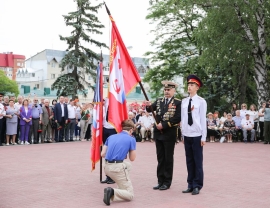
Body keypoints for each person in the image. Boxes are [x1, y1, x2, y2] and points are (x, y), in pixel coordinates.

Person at [145, 80, 181, 191]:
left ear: (173, 90)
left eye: (169, 90)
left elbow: (178, 118)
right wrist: (147, 106)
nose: (166, 92)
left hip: (169, 133)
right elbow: (151, 109)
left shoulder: (178, 102)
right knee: (160, 158)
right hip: (158, 134)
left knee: (168, 159)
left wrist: (164, 125)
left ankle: (167, 182)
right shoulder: (159, 100)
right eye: (165, 90)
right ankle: (160, 181)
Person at [101, 119, 136, 206]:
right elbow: (132, 158)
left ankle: (121, 187)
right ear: (131, 130)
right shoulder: (131, 139)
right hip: (117, 167)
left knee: (128, 165)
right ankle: (112, 191)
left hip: (106, 167)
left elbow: (102, 154)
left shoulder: (111, 137)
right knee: (130, 195)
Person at [181, 74, 207, 195]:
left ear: (197, 87)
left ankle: (197, 184)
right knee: (189, 160)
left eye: (192, 85)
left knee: (197, 160)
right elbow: (183, 118)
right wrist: (182, 133)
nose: (189, 86)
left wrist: (204, 136)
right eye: (189, 84)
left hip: (197, 134)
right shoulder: (184, 101)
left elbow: (202, 120)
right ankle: (190, 184)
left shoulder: (201, 102)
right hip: (187, 134)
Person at [101, 98, 117, 184]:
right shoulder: (103, 102)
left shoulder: (115, 99)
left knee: (112, 152)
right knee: (106, 152)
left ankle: (113, 176)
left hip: (113, 129)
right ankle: (108, 175)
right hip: (104, 128)